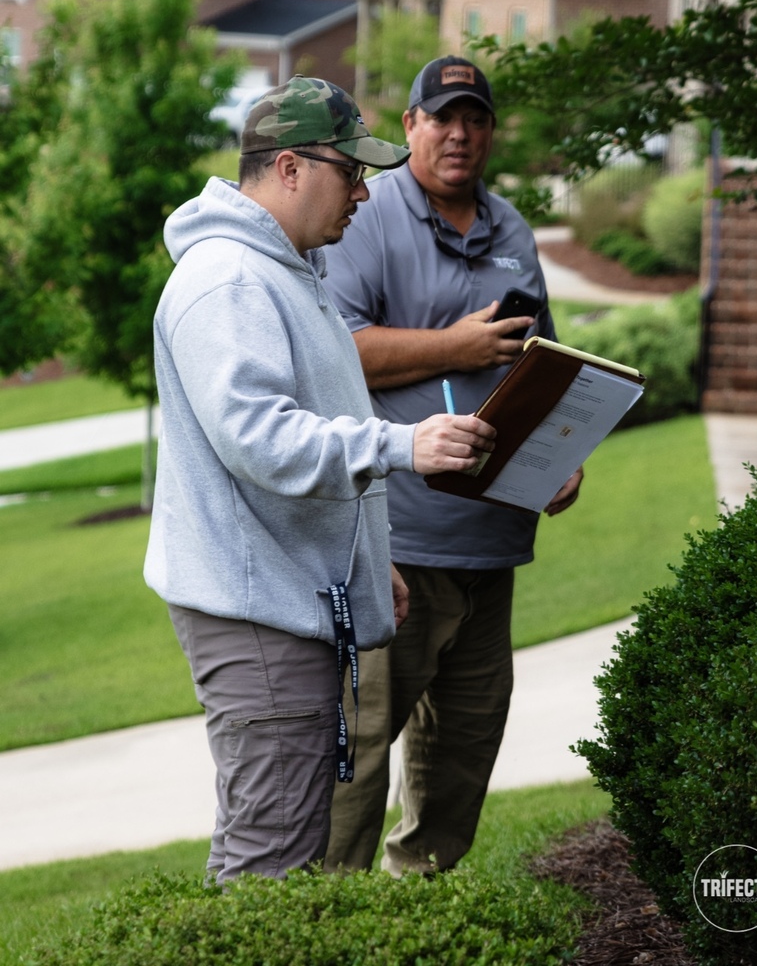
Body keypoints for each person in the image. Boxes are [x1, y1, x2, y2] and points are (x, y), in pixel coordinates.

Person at [143, 75, 496, 885]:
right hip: (256, 613)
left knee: (274, 845)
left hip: (284, 599)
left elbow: (300, 426)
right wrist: (405, 445)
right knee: (274, 861)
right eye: (352, 172)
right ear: (293, 168)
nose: (366, 195)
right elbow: (261, 441)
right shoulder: (230, 280)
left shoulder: (285, 270)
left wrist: (371, 562)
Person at [322, 56, 584, 876]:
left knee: (459, 763)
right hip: (396, 543)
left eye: (474, 117)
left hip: (489, 546)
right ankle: (318, 923)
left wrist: (555, 456)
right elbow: (338, 355)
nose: (459, 133)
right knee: (355, 768)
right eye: (441, 117)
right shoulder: (365, 220)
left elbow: (533, 367)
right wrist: (454, 344)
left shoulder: (510, 230)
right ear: (409, 127)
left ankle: (424, 924)